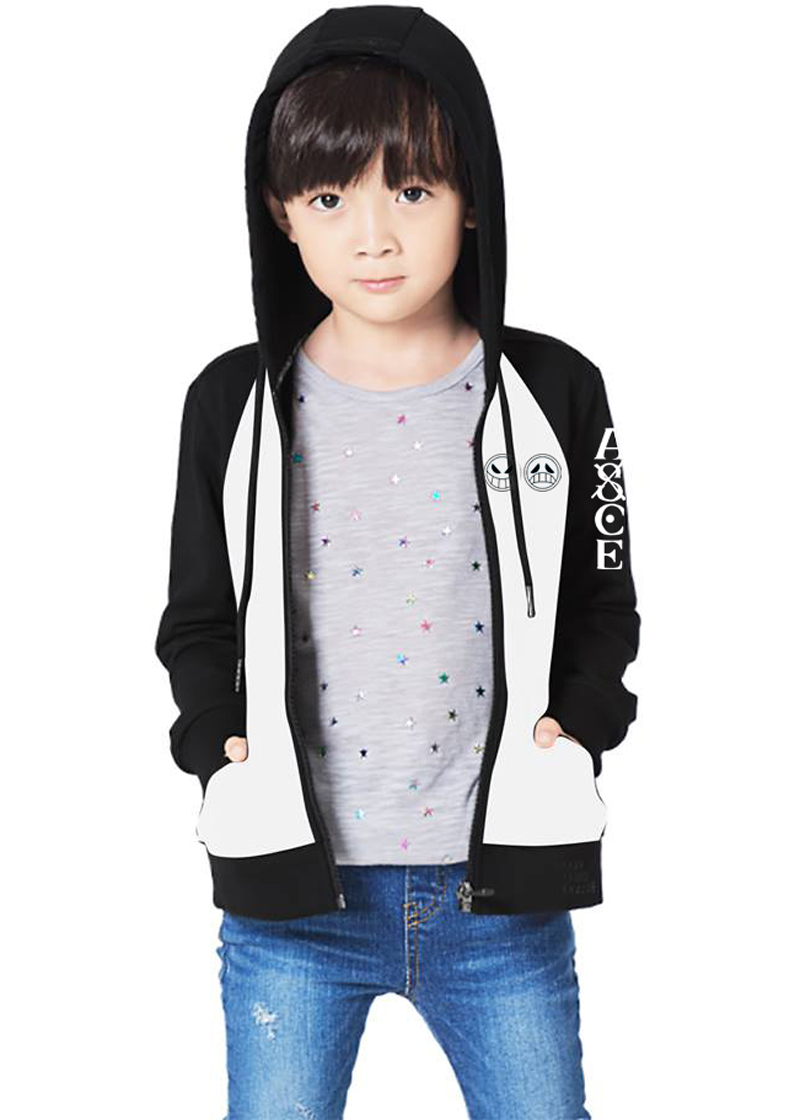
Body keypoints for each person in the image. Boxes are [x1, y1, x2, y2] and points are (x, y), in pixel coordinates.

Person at [155, 6, 640, 1117]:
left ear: (472, 200)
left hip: (497, 902)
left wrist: (581, 723)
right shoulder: (235, 403)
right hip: (292, 908)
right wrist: (213, 744)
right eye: (331, 199)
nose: (372, 236)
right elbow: (198, 613)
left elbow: (602, 598)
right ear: (281, 211)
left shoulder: (554, 392)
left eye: (411, 191)